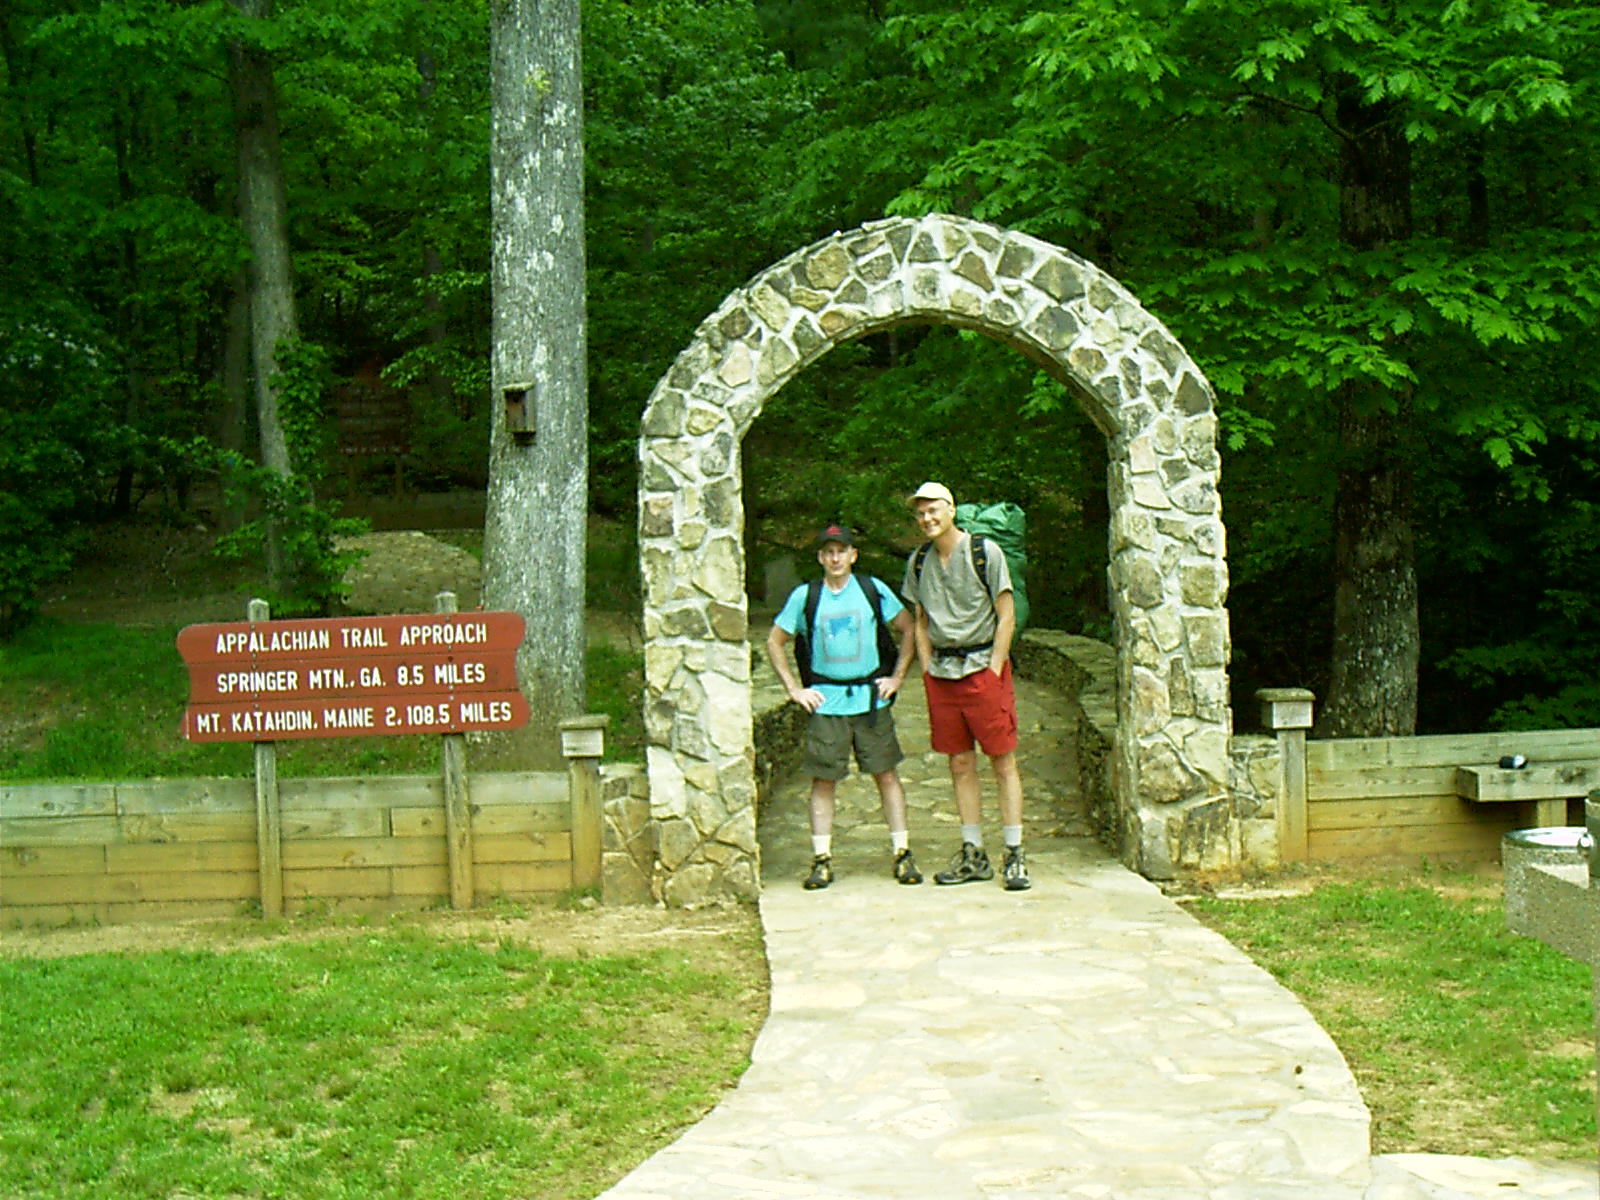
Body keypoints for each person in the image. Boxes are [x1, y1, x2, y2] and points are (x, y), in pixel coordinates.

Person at [766, 523, 922, 890]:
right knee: (824, 780)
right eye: (828, 552)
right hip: (827, 702)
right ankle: (821, 858)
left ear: (853, 555)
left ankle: (902, 852)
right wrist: (794, 689)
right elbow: (775, 641)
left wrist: (897, 677)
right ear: (820, 558)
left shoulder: (872, 590)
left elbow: (909, 627)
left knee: (886, 775)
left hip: (870, 700)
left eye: (841, 551)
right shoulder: (806, 596)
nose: (835, 558)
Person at [901, 481, 1030, 891]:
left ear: (951, 509)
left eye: (933, 510)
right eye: (921, 513)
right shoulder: (918, 561)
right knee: (959, 764)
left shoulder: (984, 552)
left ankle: (1014, 853)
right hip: (942, 674)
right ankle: (973, 852)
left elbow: (1006, 613)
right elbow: (920, 619)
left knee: (1002, 760)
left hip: (982, 669)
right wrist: (926, 668)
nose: (927, 519)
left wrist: (994, 668)